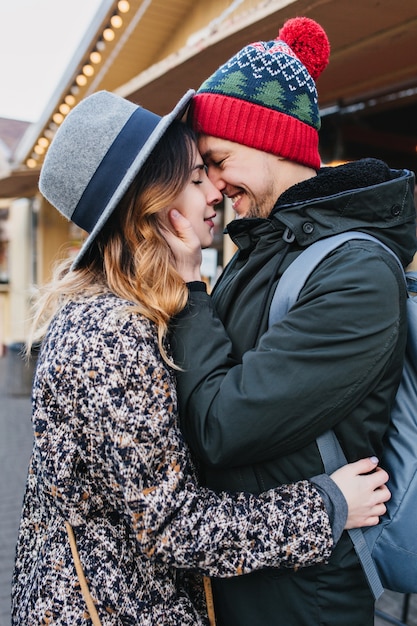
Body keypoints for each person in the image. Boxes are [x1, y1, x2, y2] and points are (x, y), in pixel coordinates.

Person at [10, 90, 389, 626]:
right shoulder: (112, 330)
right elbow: (171, 525)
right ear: (152, 203)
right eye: (194, 177)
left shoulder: (138, 309)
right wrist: (327, 506)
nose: (213, 190)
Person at [164, 16, 417, 626]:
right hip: (241, 575)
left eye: (217, 161)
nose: (215, 188)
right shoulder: (259, 252)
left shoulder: (357, 272)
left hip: (308, 597)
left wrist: (191, 288)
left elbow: (224, 424)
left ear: (270, 139)